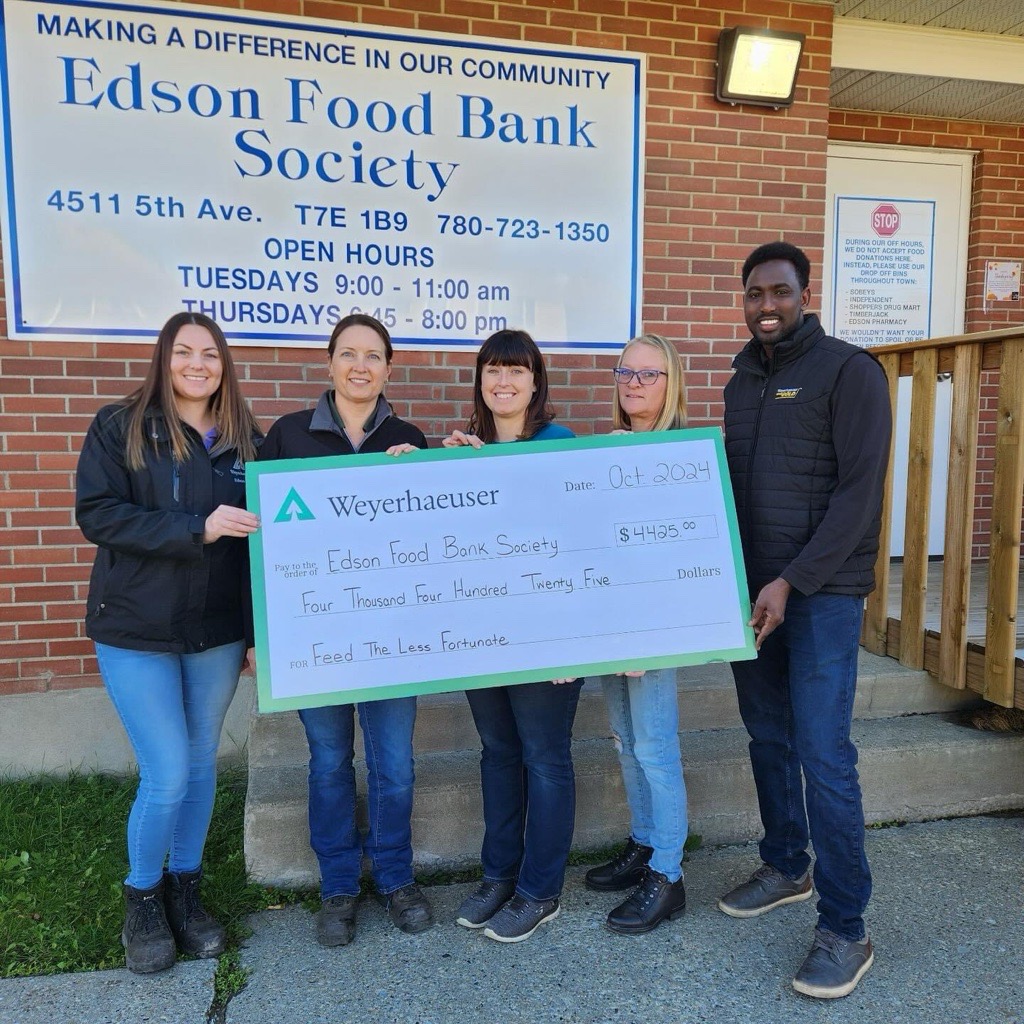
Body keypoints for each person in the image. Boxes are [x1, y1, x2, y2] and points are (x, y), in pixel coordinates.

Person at [719, 242, 891, 999]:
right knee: (768, 736)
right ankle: (787, 863)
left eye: (779, 292)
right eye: (754, 293)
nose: (766, 305)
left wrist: (791, 581)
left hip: (818, 597)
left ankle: (846, 928)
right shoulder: (738, 381)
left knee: (824, 754)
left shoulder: (850, 372)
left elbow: (859, 496)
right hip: (752, 595)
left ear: (804, 292)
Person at [75, 312, 262, 974]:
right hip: (137, 628)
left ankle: (187, 890)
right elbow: (97, 513)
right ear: (164, 359)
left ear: (223, 365)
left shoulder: (243, 442)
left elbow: (260, 548)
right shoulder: (120, 426)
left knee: (202, 762)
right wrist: (195, 529)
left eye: (209, 354)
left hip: (214, 631)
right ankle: (143, 897)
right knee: (169, 770)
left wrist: (258, 631)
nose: (197, 364)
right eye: (184, 352)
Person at [258, 313, 433, 947]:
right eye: (348, 354)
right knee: (329, 761)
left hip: (391, 638)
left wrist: (426, 474)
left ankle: (394, 876)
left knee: (395, 764)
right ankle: (337, 885)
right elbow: (262, 548)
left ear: (389, 368)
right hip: (315, 641)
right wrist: (263, 635)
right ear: (329, 363)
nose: (361, 366)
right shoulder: (286, 437)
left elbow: (435, 543)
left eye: (374, 356)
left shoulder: (409, 437)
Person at [444, 329, 583, 944]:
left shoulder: (561, 444)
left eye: (516, 371)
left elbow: (574, 538)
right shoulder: (461, 448)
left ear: (535, 382)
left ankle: (539, 889)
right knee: (498, 753)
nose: (503, 382)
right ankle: (499, 876)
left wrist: (574, 642)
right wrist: (413, 473)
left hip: (546, 632)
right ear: (480, 380)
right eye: (492, 370)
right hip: (482, 630)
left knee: (544, 757)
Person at [583, 334, 690, 934]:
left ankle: (669, 874)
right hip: (611, 623)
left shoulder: (683, 452)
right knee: (625, 739)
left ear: (670, 381)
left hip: (657, 626)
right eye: (625, 371)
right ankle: (646, 843)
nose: (633, 383)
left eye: (647, 374)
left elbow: (678, 551)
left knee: (654, 745)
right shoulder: (612, 446)